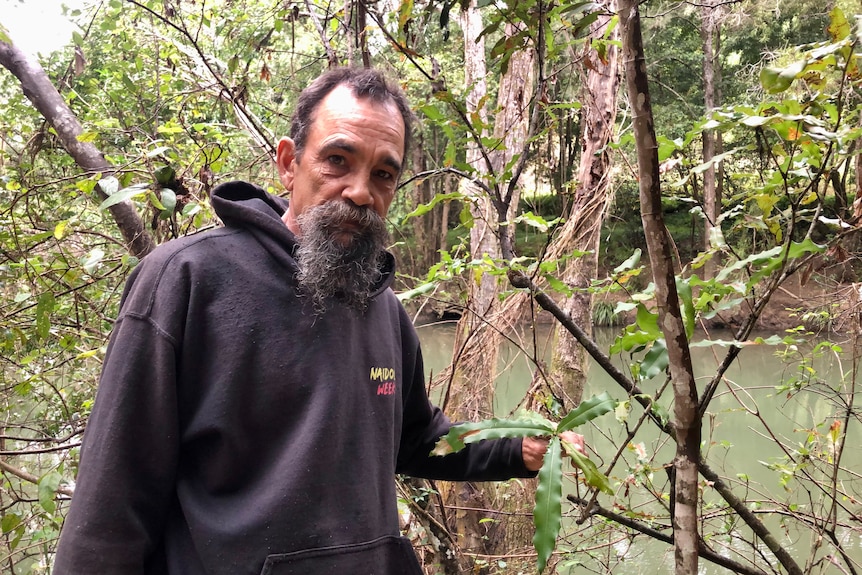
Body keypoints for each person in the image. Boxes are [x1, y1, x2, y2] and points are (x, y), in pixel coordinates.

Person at [53, 67, 584, 575]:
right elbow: (110, 507)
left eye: (383, 173)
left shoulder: (385, 311)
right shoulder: (187, 280)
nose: (360, 192)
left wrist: (516, 450)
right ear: (289, 163)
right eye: (337, 160)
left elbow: (416, 439)